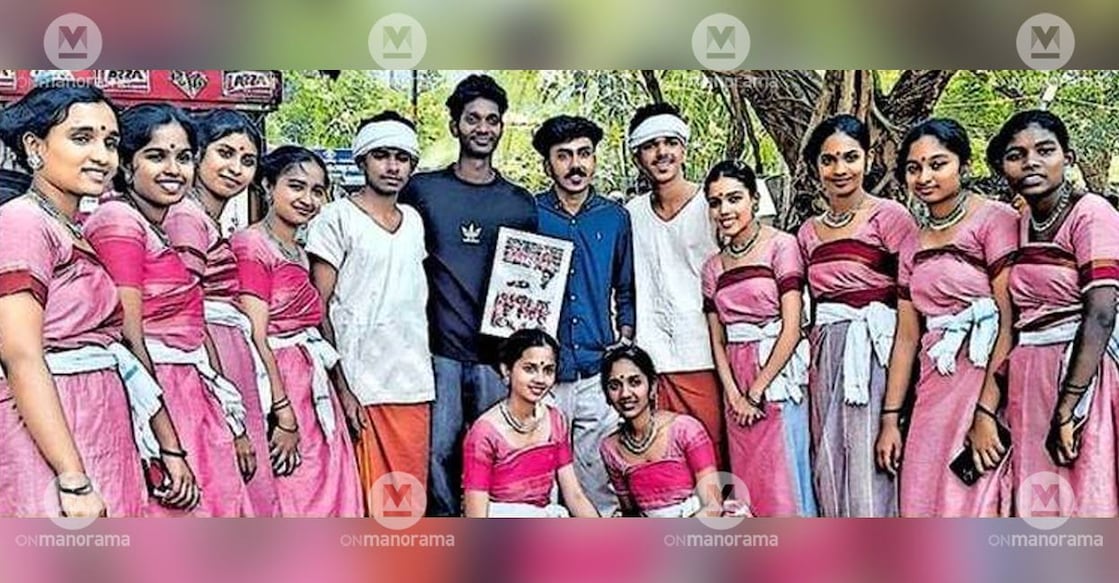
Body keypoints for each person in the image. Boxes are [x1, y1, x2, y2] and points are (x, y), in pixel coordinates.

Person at [0, 86, 198, 517]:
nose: (103, 156)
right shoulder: (23, 222)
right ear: (35, 146)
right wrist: (72, 479)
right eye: (81, 137)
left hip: (97, 417)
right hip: (52, 427)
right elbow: (21, 356)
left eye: (109, 142)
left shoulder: (73, 228)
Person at [84, 103, 252, 516]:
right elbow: (129, 332)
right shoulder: (119, 222)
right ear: (126, 164)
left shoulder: (155, 223)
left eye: (183, 157)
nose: (173, 169)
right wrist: (168, 442)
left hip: (185, 391)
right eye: (156, 156)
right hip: (153, 394)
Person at [399, 74, 537, 516]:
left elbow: (532, 282)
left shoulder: (519, 202)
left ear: (501, 127)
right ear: (455, 124)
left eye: (492, 120)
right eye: (473, 118)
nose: (483, 128)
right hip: (436, 351)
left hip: (495, 356)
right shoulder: (422, 190)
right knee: (437, 453)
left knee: (493, 452)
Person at [875, 119, 1017, 517]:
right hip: (934, 386)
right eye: (914, 167)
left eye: (938, 164)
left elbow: (1010, 322)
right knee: (921, 493)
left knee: (974, 499)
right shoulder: (911, 243)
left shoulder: (995, 220)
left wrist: (987, 412)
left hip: (985, 379)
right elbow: (906, 338)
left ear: (964, 164)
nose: (925, 176)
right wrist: (890, 419)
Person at [988, 110, 1119, 516]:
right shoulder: (1021, 221)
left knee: (1085, 486)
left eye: (1045, 151)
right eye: (1016, 155)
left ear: (1070, 157)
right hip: (1030, 375)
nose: (1030, 162)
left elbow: (1100, 312)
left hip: (1082, 373)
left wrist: (1068, 405)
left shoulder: (1091, 213)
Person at [306, 111, 434, 514]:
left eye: (402, 157)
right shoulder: (335, 218)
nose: (393, 166)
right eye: (382, 155)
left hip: (412, 382)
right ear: (362, 160)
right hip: (360, 384)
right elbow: (317, 307)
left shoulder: (413, 221)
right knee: (362, 502)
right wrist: (342, 386)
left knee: (405, 504)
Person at [796, 114, 917, 517]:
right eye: (829, 160)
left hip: (876, 356)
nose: (840, 169)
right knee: (828, 462)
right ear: (817, 167)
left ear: (867, 159)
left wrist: (893, 409)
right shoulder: (808, 233)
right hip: (824, 357)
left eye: (850, 157)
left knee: (871, 463)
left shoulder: (892, 217)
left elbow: (910, 311)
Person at [231, 146, 363, 516]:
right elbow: (255, 337)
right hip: (278, 385)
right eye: (296, 187)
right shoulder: (251, 245)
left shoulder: (300, 250)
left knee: (327, 489)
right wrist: (282, 413)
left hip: (311, 384)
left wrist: (341, 389)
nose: (307, 199)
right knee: (292, 492)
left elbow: (316, 324)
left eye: (317, 191)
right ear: (268, 185)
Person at [163, 109, 279, 516]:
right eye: (224, 154)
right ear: (197, 155)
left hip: (228, 358)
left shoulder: (204, 218)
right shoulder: (186, 219)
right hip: (213, 361)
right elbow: (189, 313)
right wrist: (230, 416)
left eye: (247, 161)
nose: (235, 168)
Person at [531, 115, 634, 516]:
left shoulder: (614, 217)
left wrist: (623, 337)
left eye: (584, 154)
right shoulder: (530, 213)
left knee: (596, 476)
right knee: (542, 477)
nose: (575, 165)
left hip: (595, 366)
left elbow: (625, 288)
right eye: (563, 156)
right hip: (543, 370)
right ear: (547, 164)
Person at [701, 160, 817, 517]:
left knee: (785, 475)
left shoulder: (782, 246)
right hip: (735, 377)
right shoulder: (712, 267)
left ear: (754, 198)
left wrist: (756, 391)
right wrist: (735, 395)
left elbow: (793, 325)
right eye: (716, 201)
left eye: (734, 198)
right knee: (750, 479)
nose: (725, 210)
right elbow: (717, 340)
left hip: (777, 376)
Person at [624, 102, 725, 470]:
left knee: (713, 460)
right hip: (652, 361)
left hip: (706, 354)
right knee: (664, 465)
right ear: (637, 156)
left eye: (670, 142)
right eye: (650, 145)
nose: (662, 152)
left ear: (684, 148)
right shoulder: (630, 214)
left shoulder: (715, 204)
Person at [462, 329, 598, 518]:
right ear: (506, 369)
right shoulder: (484, 433)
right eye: (529, 368)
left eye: (548, 370)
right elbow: (476, 516)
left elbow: (574, 496)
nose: (540, 379)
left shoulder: (555, 420)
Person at [598, 345, 732, 517]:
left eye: (635, 382)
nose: (625, 394)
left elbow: (713, 506)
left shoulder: (685, 430)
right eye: (615, 385)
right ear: (607, 395)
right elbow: (630, 513)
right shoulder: (610, 448)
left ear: (653, 387)